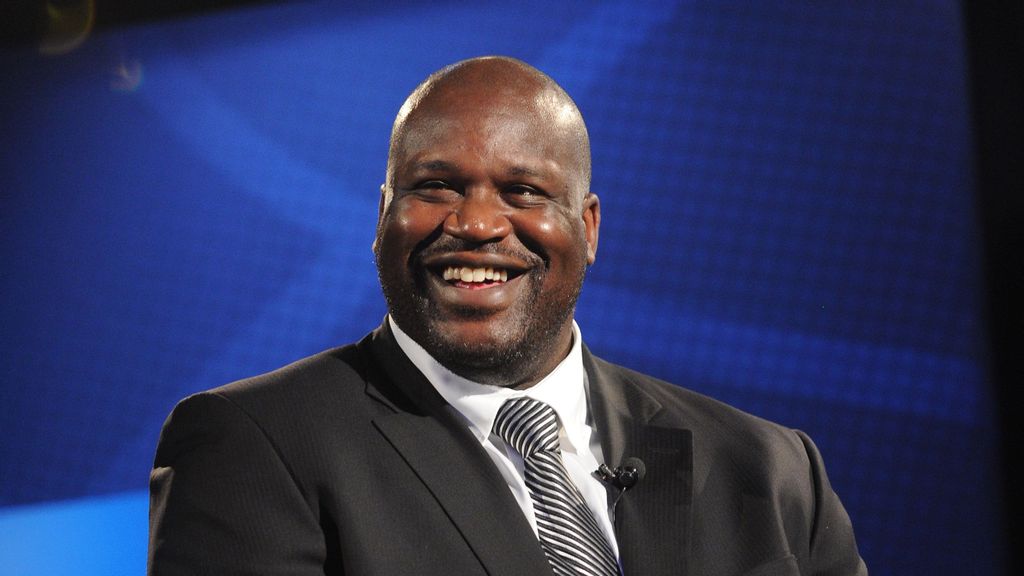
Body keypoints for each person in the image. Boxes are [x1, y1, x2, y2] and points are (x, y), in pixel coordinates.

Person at [148, 56, 867, 576]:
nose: (478, 223)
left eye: (523, 191)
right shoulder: (255, 447)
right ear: (382, 218)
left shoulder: (770, 471)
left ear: (588, 229)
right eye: (435, 186)